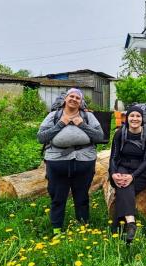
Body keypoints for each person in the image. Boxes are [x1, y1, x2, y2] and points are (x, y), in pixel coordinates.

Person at [37, 88, 104, 235]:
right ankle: (56, 229)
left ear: (81, 102)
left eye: (77, 98)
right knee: (57, 196)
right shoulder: (53, 115)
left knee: (82, 196)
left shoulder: (88, 116)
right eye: (71, 96)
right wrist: (61, 124)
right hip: (57, 161)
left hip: (84, 161)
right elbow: (41, 138)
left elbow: (100, 137)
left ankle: (83, 227)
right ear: (65, 99)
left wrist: (82, 125)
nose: (74, 99)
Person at [109, 105, 146, 243]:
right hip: (122, 168)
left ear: (143, 119)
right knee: (122, 183)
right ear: (127, 118)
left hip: (141, 172)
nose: (135, 118)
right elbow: (113, 157)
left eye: (138, 116)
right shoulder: (119, 133)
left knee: (124, 186)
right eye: (132, 116)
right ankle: (131, 223)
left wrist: (132, 176)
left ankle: (118, 226)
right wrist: (113, 174)